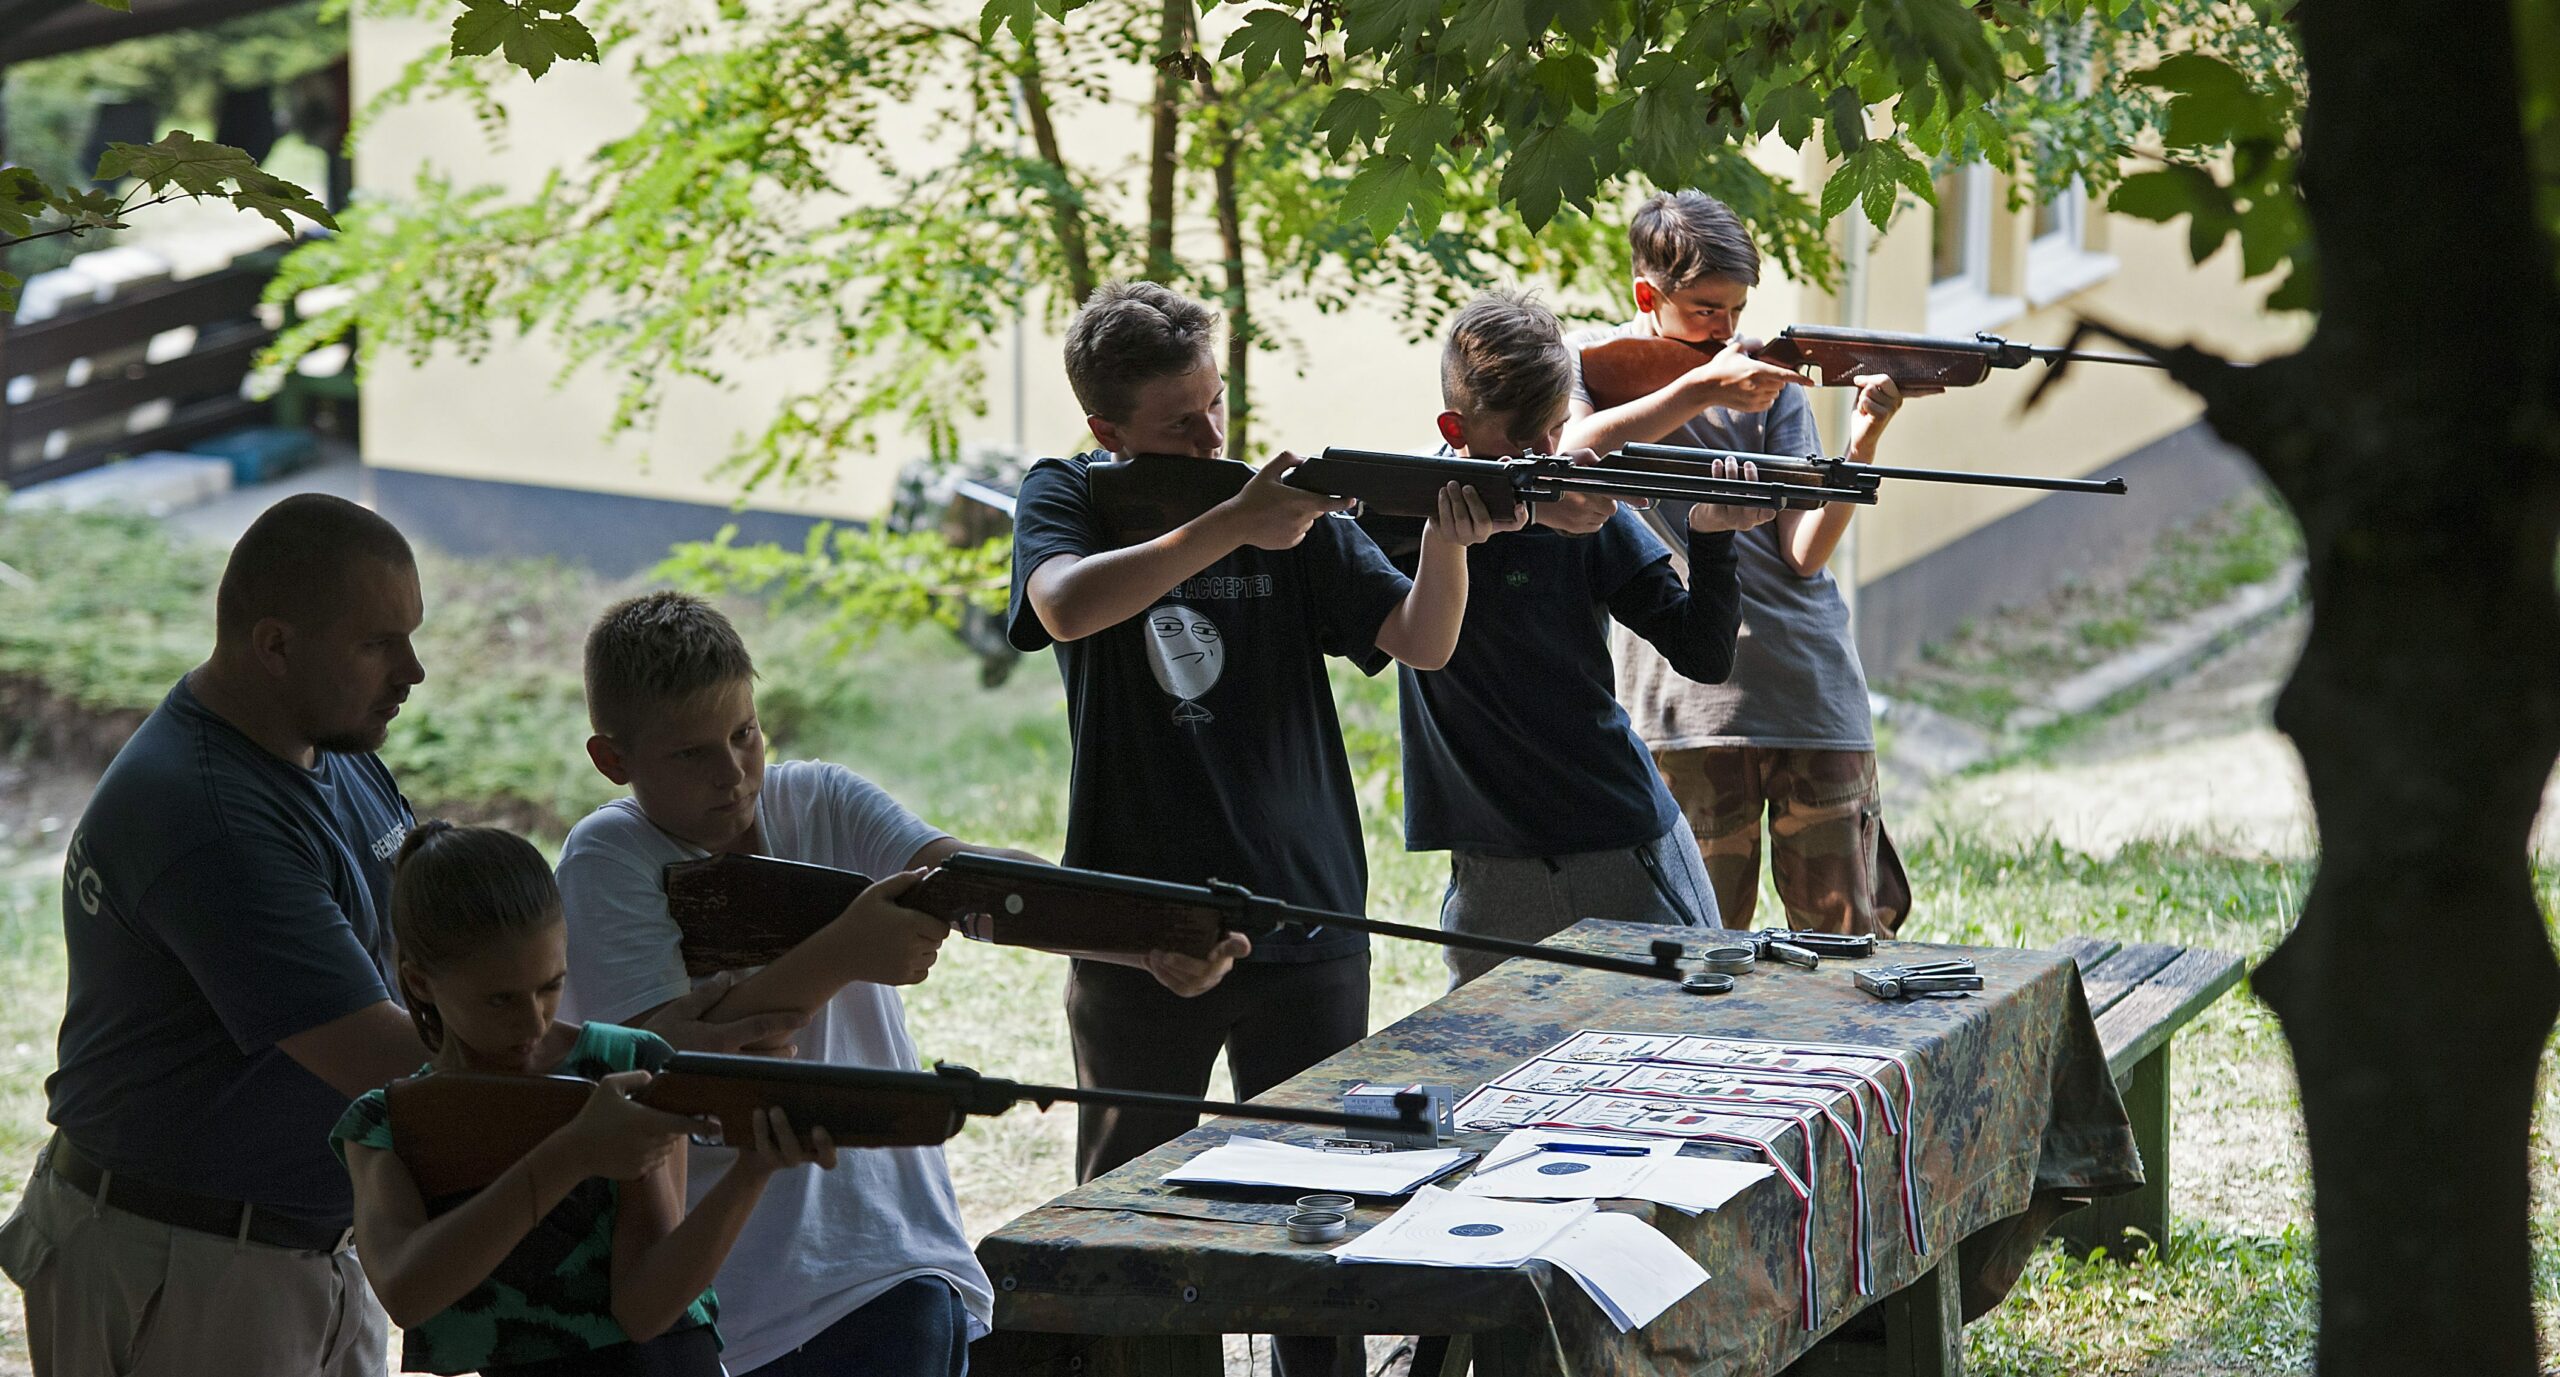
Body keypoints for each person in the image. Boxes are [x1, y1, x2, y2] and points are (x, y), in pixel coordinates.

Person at [1010, 281, 1510, 1376]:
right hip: (1135, 916)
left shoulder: (1283, 505)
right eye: (1179, 422)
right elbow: (1063, 606)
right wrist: (1233, 523)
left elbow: (1419, 642)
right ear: (1106, 431)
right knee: (1135, 1214)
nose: (1210, 434)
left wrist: (1448, 541)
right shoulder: (1072, 493)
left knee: (1318, 1212)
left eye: (1215, 404)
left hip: (1306, 904)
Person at [555, 589, 1245, 1376]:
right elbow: (672, 1060)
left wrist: (1144, 934)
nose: (734, 772)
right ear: (613, 760)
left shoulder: (820, 797)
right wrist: (845, 949)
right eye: (691, 753)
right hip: (747, 1296)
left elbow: (973, 879)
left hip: (901, 1248)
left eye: (745, 733)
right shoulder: (610, 856)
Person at [333, 822, 833, 1377]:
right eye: (500, 1000)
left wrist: (753, 1169)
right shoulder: (386, 1124)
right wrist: (572, 1153)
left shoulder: (631, 1062)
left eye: (551, 986)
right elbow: (405, 1291)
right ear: (420, 982)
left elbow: (647, 1311)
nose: (534, 1021)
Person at [1371, 288, 1769, 987]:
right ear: (1454, 427)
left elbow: (1702, 651)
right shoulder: (1405, 506)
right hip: (1487, 860)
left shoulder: (1581, 505)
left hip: (1621, 842)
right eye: (1519, 440)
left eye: (1555, 429)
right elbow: (1323, 524)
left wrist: (1710, 538)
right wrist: (1523, 513)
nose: (1546, 454)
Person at [1561, 190, 1917, 936]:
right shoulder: (1591, 363)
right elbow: (1573, 454)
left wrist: (1862, 442)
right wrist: (1700, 387)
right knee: (1697, 956)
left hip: (1807, 690)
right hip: (1684, 706)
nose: (1726, 329)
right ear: (1645, 297)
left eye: (1736, 308)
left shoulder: (1764, 381)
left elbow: (1803, 551)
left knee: (1849, 949)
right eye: (1705, 309)